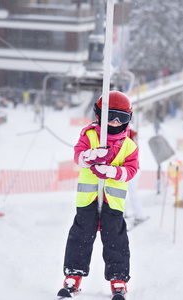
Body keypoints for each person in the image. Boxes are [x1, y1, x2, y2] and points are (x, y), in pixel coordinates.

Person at [58, 91, 138, 299]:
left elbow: (131, 170)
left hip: (113, 202)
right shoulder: (90, 135)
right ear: (99, 115)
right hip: (88, 199)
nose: (115, 122)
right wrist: (90, 156)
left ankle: (118, 280)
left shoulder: (129, 145)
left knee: (116, 240)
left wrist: (113, 172)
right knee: (81, 236)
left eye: (122, 118)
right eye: (110, 115)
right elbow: (78, 156)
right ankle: (73, 277)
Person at [127, 129, 146, 226]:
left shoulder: (129, 139)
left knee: (131, 193)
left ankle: (139, 215)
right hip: (134, 169)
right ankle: (126, 213)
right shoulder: (132, 137)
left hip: (132, 170)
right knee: (125, 192)